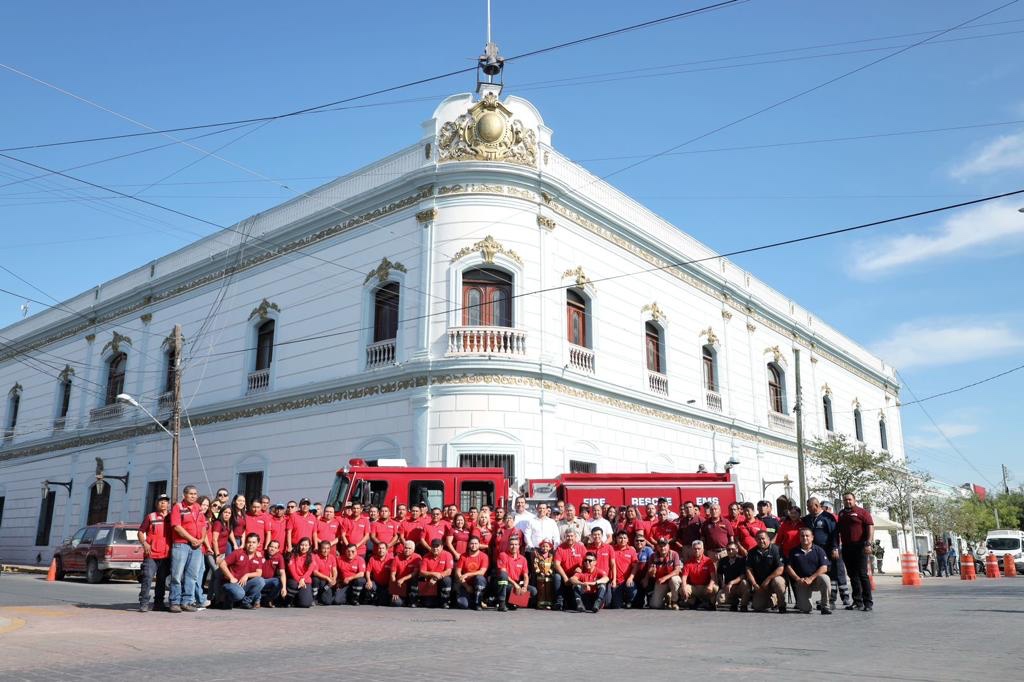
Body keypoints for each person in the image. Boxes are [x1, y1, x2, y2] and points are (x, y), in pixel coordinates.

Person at [804, 497, 849, 609]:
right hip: (817, 552)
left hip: (830, 550)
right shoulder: (808, 518)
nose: (808, 509)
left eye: (809, 507)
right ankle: (828, 599)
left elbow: (834, 534)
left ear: (816, 505)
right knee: (826, 575)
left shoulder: (828, 517)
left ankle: (843, 597)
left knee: (836, 573)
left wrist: (835, 548)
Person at [169, 485, 207, 613]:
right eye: (191, 494)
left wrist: (201, 539)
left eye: (195, 494)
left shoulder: (198, 508)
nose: (193, 496)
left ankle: (187, 602)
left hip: (196, 547)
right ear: (184, 495)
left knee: (192, 575)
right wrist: (191, 539)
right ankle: (175, 602)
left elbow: (203, 525)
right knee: (177, 575)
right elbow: (177, 527)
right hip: (181, 545)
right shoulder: (178, 507)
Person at [837, 491, 874, 611]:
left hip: (860, 547)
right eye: (845, 500)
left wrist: (868, 543)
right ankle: (857, 601)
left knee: (862, 574)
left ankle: (868, 602)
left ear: (854, 500)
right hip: (847, 548)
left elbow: (870, 527)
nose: (847, 501)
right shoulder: (841, 513)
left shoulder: (862, 512)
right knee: (852, 575)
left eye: (849, 499)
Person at [138, 493, 171, 612]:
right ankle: (144, 603)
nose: (163, 503)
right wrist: (144, 543)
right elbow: (140, 532)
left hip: (166, 555)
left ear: (168, 504)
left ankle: (158, 603)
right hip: (151, 554)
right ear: (157, 504)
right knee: (147, 577)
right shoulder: (150, 517)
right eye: (161, 501)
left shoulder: (171, 517)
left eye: (165, 501)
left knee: (162, 580)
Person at [786, 528, 832, 615]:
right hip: (802, 582)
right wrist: (797, 579)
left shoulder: (819, 550)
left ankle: (825, 606)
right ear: (799, 538)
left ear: (812, 538)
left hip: (816, 580)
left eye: (807, 536)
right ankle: (805, 604)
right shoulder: (793, 551)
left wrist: (811, 578)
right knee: (805, 609)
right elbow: (788, 567)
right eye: (802, 536)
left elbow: (824, 567)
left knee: (825, 578)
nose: (805, 538)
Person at [217, 532, 265, 609]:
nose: (251, 544)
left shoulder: (258, 557)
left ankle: (245, 602)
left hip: (243, 584)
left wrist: (247, 575)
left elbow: (259, 573)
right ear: (245, 543)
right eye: (249, 542)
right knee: (239, 594)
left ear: (258, 544)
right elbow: (222, 564)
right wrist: (231, 577)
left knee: (260, 581)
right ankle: (227, 598)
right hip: (231, 583)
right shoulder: (238, 553)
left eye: (253, 542)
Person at [744, 530, 787, 613]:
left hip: (773, 580)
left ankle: (781, 605)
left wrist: (768, 579)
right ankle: (773, 600)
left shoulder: (776, 550)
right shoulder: (752, 552)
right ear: (756, 540)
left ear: (768, 539)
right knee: (757, 606)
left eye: (763, 538)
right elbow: (748, 570)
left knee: (779, 582)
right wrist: (754, 584)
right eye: (759, 539)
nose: (761, 541)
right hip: (761, 584)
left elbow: (780, 569)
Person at [495, 534, 535, 611]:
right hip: (505, 584)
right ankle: (501, 603)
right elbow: (503, 573)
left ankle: (512, 602)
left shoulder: (523, 559)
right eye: (511, 544)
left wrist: (525, 587)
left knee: (533, 591)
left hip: (517, 584)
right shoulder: (502, 555)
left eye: (516, 544)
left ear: (519, 546)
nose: (514, 547)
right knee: (503, 575)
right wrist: (515, 585)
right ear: (508, 545)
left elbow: (526, 576)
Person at [553, 528, 587, 611]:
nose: (570, 538)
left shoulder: (581, 547)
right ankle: (559, 601)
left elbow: (588, 561)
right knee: (557, 576)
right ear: (565, 537)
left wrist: (581, 568)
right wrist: (565, 577)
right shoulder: (560, 548)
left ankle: (579, 602)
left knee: (578, 577)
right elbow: (556, 564)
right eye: (568, 536)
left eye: (572, 536)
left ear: (575, 537)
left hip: (577, 575)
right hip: (564, 575)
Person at [681, 540, 719, 610]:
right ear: (692, 550)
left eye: (699, 549)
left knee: (715, 588)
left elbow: (713, 577)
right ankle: (694, 602)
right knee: (682, 589)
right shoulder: (688, 562)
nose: (697, 550)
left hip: (705, 587)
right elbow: (684, 577)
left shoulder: (708, 561)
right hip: (694, 587)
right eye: (695, 549)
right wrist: (684, 587)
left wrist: (710, 585)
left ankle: (710, 603)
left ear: (703, 550)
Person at [646, 538, 682, 610]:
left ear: (668, 546)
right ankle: (667, 599)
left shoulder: (674, 554)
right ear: (657, 547)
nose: (662, 548)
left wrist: (665, 578)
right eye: (660, 546)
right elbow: (650, 573)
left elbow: (677, 570)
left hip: (671, 580)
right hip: (660, 582)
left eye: (664, 546)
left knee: (674, 580)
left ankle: (674, 602)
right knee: (655, 605)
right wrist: (652, 572)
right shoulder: (653, 556)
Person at [455, 536, 490, 609]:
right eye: (472, 543)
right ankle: (473, 600)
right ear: (468, 544)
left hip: (479, 583)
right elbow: (458, 572)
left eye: (476, 543)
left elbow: (482, 572)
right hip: (466, 584)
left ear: (479, 545)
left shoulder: (484, 556)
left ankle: (478, 603)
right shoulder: (463, 556)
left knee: (480, 578)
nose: (474, 546)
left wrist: (467, 574)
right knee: (463, 605)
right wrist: (466, 586)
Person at [418, 539, 454, 608]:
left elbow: (449, 571)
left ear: (442, 547)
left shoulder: (447, 555)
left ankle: (445, 601)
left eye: (437, 546)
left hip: (441, 579)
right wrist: (434, 574)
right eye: (433, 546)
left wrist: (436, 578)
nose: (435, 548)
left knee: (447, 580)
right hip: (430, 582)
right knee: (428, 604)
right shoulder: (426, 556)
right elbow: (422, 572)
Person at [717, 542, 749, 611]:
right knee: (720, 599)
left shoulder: (742, 560)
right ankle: (734, 602)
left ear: (737, 550)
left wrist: (731, 583)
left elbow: (743, 575)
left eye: (732, 549)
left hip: (739, 586)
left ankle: (743, 605)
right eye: (728, 549)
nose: (730, 551)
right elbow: (719, 573)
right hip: (728, 587)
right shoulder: (723, 560)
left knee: (745, 583)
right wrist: (722, 584)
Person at [609, 530, 638, 609]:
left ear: (628, 539)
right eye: (620, 538)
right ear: (616, 539)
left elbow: (635, 566)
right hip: (616, 581)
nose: (622, 540)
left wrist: (631, 578)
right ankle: (621, 600)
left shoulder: (631, 551)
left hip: (627, 581)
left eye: (625, 538)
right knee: (616, 606)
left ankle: (628, 600)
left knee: (632, 590)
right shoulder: (611, 549)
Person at [390, 540, 421, 607]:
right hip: (400, 584)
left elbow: (414, 573)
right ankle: (404, 601)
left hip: (411, 583)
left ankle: (413, 601)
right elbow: (393, 575)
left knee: (414, 579)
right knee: (396, 603)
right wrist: (395, 590)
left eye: (409, 548)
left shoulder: (417, 557)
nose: (407, 550)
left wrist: (403, 579)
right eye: (406, 548)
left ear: (413, 550)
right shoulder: (397, 558)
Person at [285, 537, 315, 608]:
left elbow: (309, 571)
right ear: (299, 545)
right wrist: (300, 580)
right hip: (294, 580)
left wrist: (303, 579)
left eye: (306, 545)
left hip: (305, 580)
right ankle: (290, 600)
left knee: (305, 604)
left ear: (309, 546)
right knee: (293, 584)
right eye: (302, 545)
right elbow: (292, 572)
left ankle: (298, 598)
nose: (304, 547)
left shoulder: (312, 556)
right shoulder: (292, 555)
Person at [312, 540, 343, 605]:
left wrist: (334, 578)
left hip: (327, 582)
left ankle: (322, 597)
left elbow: (334, 570)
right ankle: (314, 598)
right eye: (324, 548)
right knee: (315, 579)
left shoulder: (332, 557)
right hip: (319, 580)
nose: (326, 550)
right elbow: (315, 572)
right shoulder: (315, 557)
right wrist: (327, 578)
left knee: (327, 602)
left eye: (328, 548)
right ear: (320, 549)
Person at [365, 541, 394, 606]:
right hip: (376, 584)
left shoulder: (391, 559)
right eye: (379, 548)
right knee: (368, 585)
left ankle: (380, 598)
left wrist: (393, 587)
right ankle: (371, 598)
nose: (381, 550)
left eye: (383, 548)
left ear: (386, 550)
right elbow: (368, 571)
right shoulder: (372, 559)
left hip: (387, 585)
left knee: (384, 602)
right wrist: (369, 580)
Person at [260, 539, 288, 607]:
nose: (272, 549)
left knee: (278, 581)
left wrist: (284, 588)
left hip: (269, 581)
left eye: (275, 548)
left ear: (278, 550)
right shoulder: (261, 554)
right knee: (258, 581)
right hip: (258, 580)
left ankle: (268, 600)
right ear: (268, 547)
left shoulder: (279, 557)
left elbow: (282, 573)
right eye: (271, 546)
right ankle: (257, 600)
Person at [533, 539, 556, 610]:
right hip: (540, 578)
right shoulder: (538, 557)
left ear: (550, 548)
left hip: (549, 578)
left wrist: (550, 572)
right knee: (541, 591)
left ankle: (549, 604)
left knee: (548, 591)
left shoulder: (551, 557)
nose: (545, 548)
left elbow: (553, 566)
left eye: (547, 546)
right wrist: (539, 572)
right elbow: (535, 565)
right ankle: (540, 604)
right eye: (543, 546)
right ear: (540, 547)